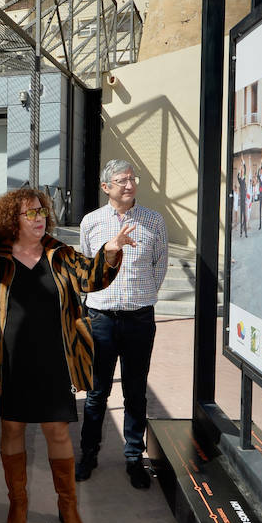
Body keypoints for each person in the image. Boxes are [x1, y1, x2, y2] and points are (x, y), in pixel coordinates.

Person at [0, 188, 130, 523]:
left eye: (41, 212)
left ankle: (68, 506)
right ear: (12, 220)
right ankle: (18, 503)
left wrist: (111, 253)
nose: (39, 218)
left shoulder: (61, 254)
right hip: (8, 362)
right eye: (30, 214)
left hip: (55, 359)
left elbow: (91, 277)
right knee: (12, 431)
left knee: (57, 431)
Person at [75, 159, 169, 489]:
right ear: (106, 187)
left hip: (140, 319)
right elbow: (87, 264)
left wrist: (142, 295)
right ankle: (88, 453)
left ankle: (133, 457)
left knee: (135, 391)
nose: (129, 185)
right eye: (121, 180)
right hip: (101, 319)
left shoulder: (153, 221)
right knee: (97, 392)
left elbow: (159, 265)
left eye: (132, 179)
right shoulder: (91, 223)